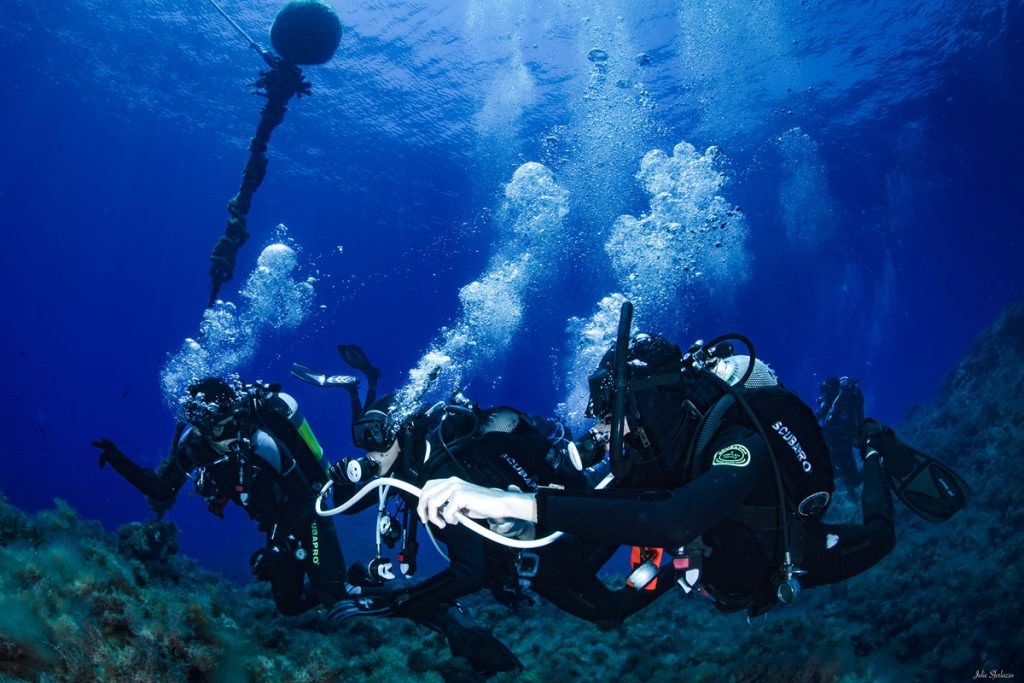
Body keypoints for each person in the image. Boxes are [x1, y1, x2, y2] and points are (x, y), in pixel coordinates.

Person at [415, 331, 972, 620]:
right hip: (708, 567)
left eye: (614, 411)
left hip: (783, 552)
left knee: (880, 538)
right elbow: (587, 530)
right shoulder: (651, 460)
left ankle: (874, 448)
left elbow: (673, 520)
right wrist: (511, 535)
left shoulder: (737, 441)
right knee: (610, 604)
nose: (608, 432)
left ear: (650, 402)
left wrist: (508, 503)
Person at [322, 391, 591, 672]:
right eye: (363, 438)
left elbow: (469, 572)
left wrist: (395, 602)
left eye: (377, 437)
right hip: (505, 568)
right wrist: (341, 478)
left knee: (606, 610)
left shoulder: (439, 472)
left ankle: (603, 474)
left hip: (543, 552)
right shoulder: (402, 473)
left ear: (400, 434)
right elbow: (346, 505)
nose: (369, 451)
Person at [93, 377, 346, 617]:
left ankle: (360, 583)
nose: (230, 434)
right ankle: (350, 581)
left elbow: (304, 499)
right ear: (202, 428)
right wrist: (119, 460)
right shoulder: (193, 447)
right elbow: (162, 489)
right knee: (289, 605)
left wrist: (277, 547)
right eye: (219, 428)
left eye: (231, 422)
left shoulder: (262, 443)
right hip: (275, 524)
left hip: (308, 514)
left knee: (333, 593)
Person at [817, 376, 865, 494]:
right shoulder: (837, 402)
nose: (821, 397)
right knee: (851, 477)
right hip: (843, 444)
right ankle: (851, 482)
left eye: (823, 393)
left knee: (833, 474)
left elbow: (820, 417)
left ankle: (870, 467)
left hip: (839, 445)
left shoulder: (835, 402)